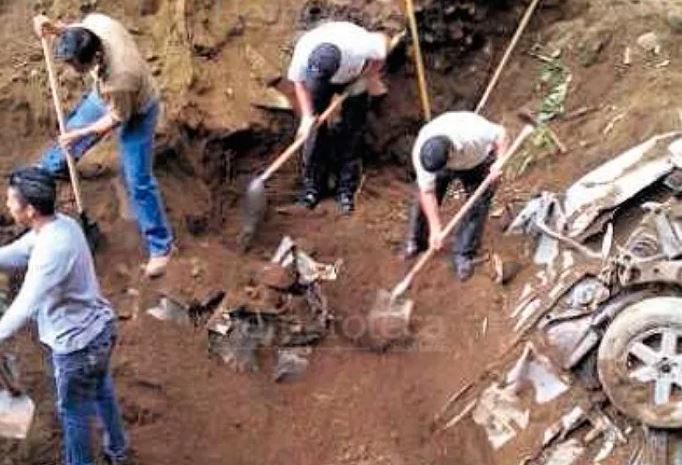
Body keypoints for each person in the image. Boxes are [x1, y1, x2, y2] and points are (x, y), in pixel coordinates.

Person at [0, 166, 129, 465]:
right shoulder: (61, 226)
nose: (7, 205)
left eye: (10, 200)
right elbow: (19, 252)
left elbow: (24, 305)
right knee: (100, 390)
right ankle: (117, 451)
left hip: (78, 348)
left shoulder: (51, 251)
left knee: (73, 414)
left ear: (29, 210)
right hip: (98, 332)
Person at [33, 13, 173, 278]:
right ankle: (45, 174)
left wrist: (82, 133)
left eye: (77, 66)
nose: (73, 71)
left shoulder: (120, 79)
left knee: (137, 181)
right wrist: (51, 26)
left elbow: (116, 119)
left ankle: (161, 247)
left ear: (95, 58)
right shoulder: (94, 26)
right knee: (69, 135)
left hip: (138, 110)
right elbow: (75, 30)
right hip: (105, 94)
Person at [288, 21, 389, 214]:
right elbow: (299, 84)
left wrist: (370, 75)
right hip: (319, 82)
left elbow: (384, 44)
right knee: (314, 131)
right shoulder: (304, 51)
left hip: (355, 76)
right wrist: (307, 117)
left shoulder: (358, 44)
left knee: (352, 130)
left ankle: (345, 190)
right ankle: (313, 189)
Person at [404, 111, 509, 281]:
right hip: (447, 162)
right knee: (422, 199)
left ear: (451, 154)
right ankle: (417, 240)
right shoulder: (423, 154)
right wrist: (435, 228)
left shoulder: (474, 132)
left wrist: (499, 161)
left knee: (478, 203)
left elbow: (501, 134)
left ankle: (463, 253)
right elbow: (427, 192)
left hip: (478, 160)